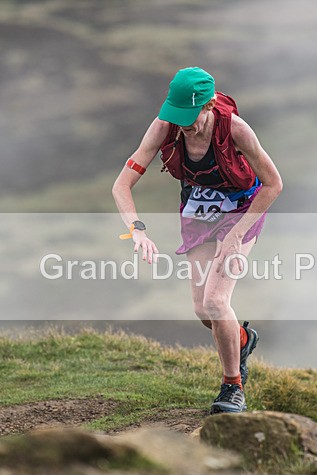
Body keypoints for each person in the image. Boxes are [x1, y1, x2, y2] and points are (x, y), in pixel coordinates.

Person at [112, 67, 283, 414]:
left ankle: (232, 388)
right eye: (179, 116)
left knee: (218, 301)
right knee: (203, 310)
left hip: (241, 208)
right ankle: (242, 339)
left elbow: (273, 184)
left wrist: (236, 236)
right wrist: (137, 230)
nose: (184, 124)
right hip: (198, 210)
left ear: (208, 105)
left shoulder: (235, 129)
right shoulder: (165, 126)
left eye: (191, 117)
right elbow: (121, 185)